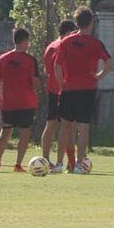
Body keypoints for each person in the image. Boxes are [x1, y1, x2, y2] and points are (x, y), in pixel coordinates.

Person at [55, 6, 113, 174]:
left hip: (69, 89)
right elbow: (109, 63)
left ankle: (59, 163)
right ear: (91, 23)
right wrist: (98, 76)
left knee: (65, 127)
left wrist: (62, 84)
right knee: (83, 128)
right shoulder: (95, 43)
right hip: (87, 89)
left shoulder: (66, 41)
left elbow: (57, 66)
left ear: (76, 23)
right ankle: (79, 165)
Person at [0, 28, 41, 172]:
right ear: (24, 42)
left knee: (5, 132)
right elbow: (35, 84)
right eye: (27, 41)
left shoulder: (3, 58)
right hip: (26, 103)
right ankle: (18, 165)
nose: (28, 44)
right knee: (24, 133)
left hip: (9, 103)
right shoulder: (31, 60)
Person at [41, 20, 76, 174]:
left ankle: (45, 158)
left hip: (52, 89)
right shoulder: (64, 45)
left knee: (50, 125)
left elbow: (45, 69)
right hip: (64, 89)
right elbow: (61, 66)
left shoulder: (50, 47)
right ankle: (69, 162)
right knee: (68, 127)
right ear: (69, 32)